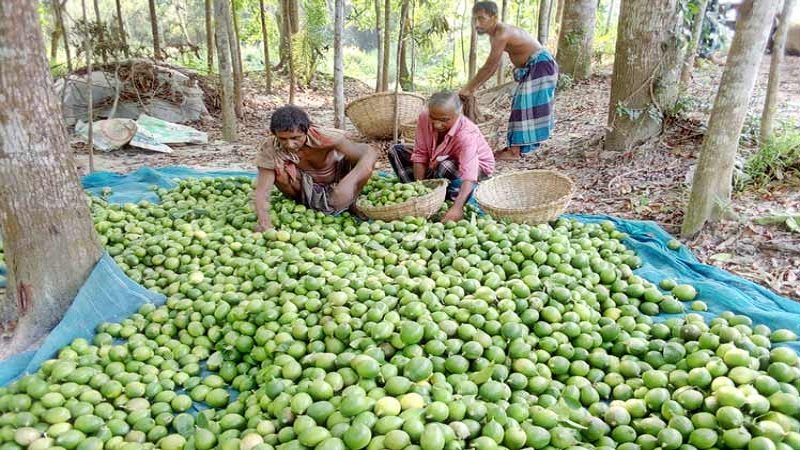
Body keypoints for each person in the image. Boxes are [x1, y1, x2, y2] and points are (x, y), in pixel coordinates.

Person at [458, 0, 558, 161]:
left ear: (494, 17)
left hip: (541, 65)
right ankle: (516, 147)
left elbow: (491, 66)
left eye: (481, 18)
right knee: (521, 104)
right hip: (535, 67)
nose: (477, 23)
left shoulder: (502, 33)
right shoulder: (495, 35)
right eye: (475, 19)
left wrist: (469, 88)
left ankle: (514, 151)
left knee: (522, 105)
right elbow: (492, 67)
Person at [253, 105, 378, 230]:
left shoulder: (326, 137)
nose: (290, 144)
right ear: (274, 134)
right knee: (278, 170)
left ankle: (352, 202)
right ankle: (306, 206)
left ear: (307, 130)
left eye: (295, 138)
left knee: (363, 161)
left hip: (337, 179)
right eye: (283, 139)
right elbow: (262, 190)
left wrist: (350, 183)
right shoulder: (270, 149)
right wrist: (263, 221)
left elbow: (369, 152)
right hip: (306, 189)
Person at [388, 92, 495, 223]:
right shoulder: (424, 118)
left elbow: (469, 176)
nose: (437, 125)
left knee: (446, 166)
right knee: (396, 151)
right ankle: (426, 194)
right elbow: (420, 153)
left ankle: (449, 197)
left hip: (475, 169)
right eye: (433, 118)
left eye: (444, 120)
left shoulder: (466, 134)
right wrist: (419, 189)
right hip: (437, 160)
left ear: (458, 114)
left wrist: (457, 208)